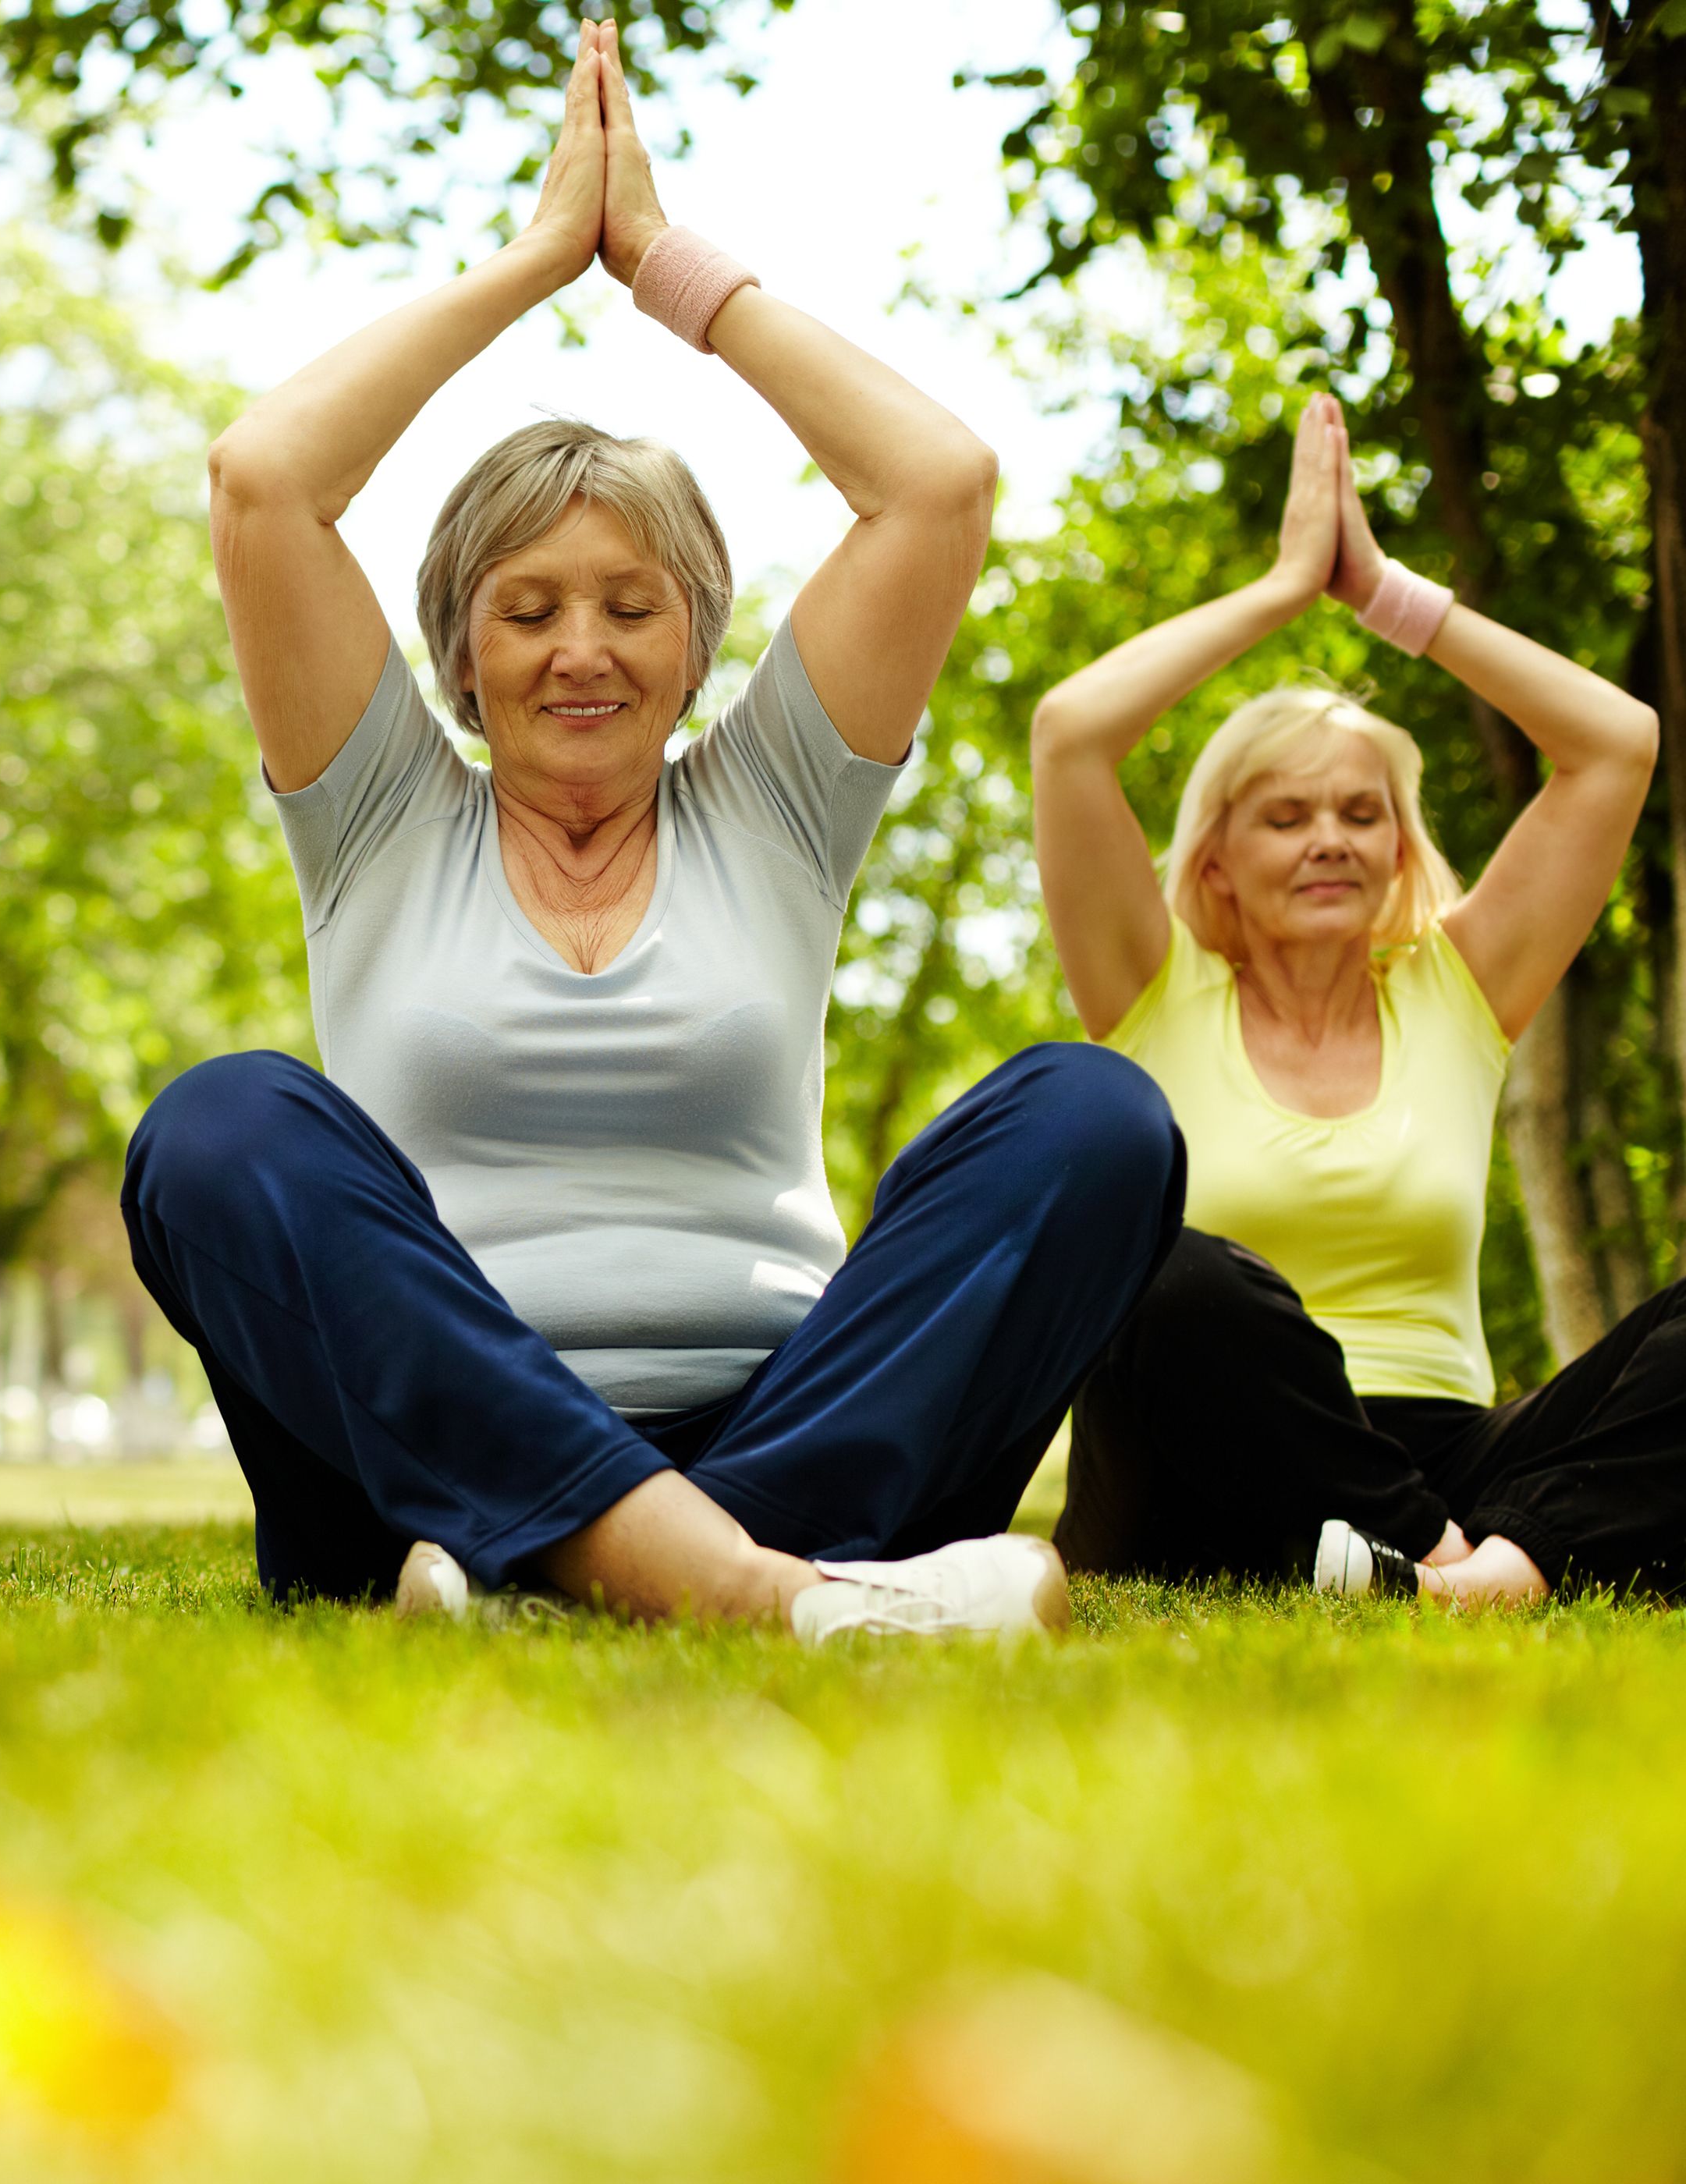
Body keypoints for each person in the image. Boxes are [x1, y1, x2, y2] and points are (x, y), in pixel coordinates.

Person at [119, 20, 1184, 1641]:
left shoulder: (770, 801)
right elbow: (264, 478)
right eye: (527, 608)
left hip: (789, 1423)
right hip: (419, 1446)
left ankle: (566, 1576)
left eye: (633, 604)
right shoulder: (384, 811)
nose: (582, 648)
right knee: (218, 1126)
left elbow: (939, 485)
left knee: (1095, 1115)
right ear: (458, 648)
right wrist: (546, 258)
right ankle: (768, 1587)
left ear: (699, 637)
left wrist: (671, 268)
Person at [1034, 391, 1686, 1606]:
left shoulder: (1458, 994)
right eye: (1287, 815)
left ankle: (1469, 1574)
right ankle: (1537, 1562)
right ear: (1217, 858)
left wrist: (1389, 598)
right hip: (1197, 1457)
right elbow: (1070, 735)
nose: (1330, 841)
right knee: (1172, 1271)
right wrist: (1286, 588)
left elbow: (1619, 744)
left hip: (1447, 1453)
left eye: (1363, 815)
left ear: (1401, 850)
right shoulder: (1152, 986)